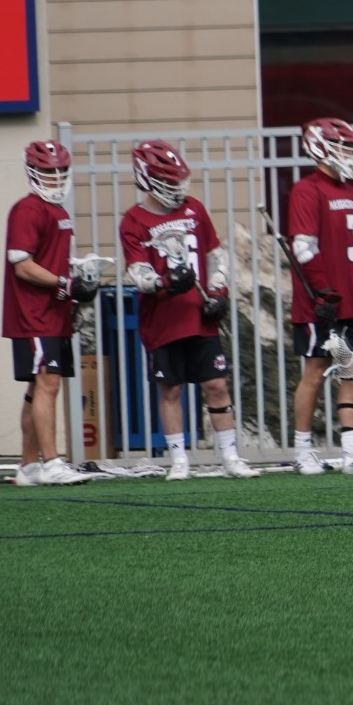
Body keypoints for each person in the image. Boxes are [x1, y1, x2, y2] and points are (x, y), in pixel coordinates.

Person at [120, 141, 257, 480]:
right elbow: (138, 273)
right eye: (168, 180)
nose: (176, 187)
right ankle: (179, 459)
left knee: (217, 385)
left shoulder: (194, 209)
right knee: (172, 389)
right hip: (163, 320)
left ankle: (230, 457)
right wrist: (165, 282)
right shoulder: (134, 220)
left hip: (199, 315)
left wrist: (219, 291)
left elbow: (215, 256)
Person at [286, 117, 353, 473]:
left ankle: (352, 451)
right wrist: (323, 292)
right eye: (343, 146)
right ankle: (303, 451)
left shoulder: (350, 191)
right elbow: (304, 247)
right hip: (323, 302)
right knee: (316, 370)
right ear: (320, 147)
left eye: (351, 148)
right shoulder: (307, 190)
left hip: (352, 299)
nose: (349, 154)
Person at [4, 142, 96, 487]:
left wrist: (78, 283)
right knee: (48, 383)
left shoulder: (59, 212)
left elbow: (57, 263)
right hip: (33, 313)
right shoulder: (28, 209)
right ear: (33, 172)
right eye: (47, 171)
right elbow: (23, 265)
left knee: (37, 387)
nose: (55, 178)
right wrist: (65, 284)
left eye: (60, 171)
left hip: (54, 311)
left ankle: (29, 466)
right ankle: (53, 462)